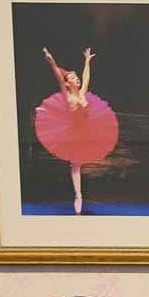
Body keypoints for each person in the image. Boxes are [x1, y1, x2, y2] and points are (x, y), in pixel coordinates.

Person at [37, 47, 119, 214]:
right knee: (76, 164)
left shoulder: (82, 94)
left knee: (81, 160)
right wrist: (51, 61)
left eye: (76, 77)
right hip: (73, 132)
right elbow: (59, 77)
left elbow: (86, 77)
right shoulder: (68, 96)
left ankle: (79, 194)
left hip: (88, 129)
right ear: (68, 83)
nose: (77, 79)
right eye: (73, 78)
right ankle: (78, 195)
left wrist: (87, 61)